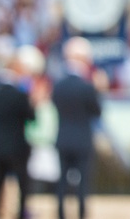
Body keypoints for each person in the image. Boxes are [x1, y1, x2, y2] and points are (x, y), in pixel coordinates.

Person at [51, 37, 104, 219]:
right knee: (83, 182)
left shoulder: (58, 85)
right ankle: (81, 214)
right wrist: (99, 90)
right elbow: (97, 112)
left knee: (62, 182)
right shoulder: (87, 87)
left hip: (63, 137)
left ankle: (60, 213)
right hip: (82, 139)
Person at [0, 47, 38, 219]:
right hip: (17, 147)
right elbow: (32, 118)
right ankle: (20, 214)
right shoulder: (19, 95)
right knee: (22, 185)